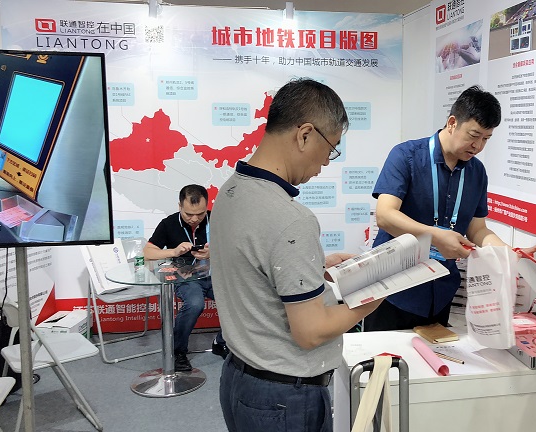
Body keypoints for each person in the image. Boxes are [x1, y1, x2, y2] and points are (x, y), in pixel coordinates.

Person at [209, 78, 384, 432]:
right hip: (284, 397)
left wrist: (315, 266)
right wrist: (378, 292)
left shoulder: (231, 190)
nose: (326, 163)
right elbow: (311, 332)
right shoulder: (291, 220)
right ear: (305, 135)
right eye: (331, 148)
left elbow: (254, 268)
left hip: (239, 378)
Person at [364, 85, 536, 332]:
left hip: (440, 291)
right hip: (393, 290)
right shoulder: (406, 156)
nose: (478, 146)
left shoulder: (477, 172)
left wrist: (506, 252)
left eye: (486, 139)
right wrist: (435, 236)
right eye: (473, 135)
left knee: (432, 357)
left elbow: (477, 229)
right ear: (452, 123)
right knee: (385, 356)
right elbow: (385, 216)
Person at [144, 184, 228, 372]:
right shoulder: (169, 224)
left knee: (238, 298)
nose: (195, 219)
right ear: (180, 206)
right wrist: (173, 251)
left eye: (200, 214)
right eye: (189, 214)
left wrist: (213, 252)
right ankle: (177, 351)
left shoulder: (217, 220)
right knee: (195, 303)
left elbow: (235, 248)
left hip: (215, 275)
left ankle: (221, 342)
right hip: (185, 277)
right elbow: (148, 253)